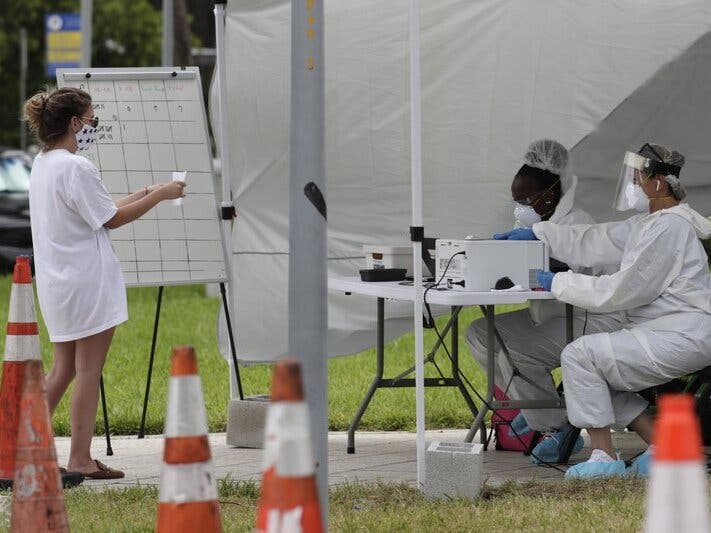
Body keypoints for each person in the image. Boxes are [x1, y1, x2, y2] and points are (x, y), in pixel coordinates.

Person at [514, 142, 711, 477]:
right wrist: (537, 233)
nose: (632, 185)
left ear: (659, 183)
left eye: (637, 178)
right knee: (597, 365)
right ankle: (664, 449)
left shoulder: (669, 228)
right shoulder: (651, 223)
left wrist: (557, 282)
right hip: (666, 330)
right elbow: (594, 239)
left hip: (683, 335)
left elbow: (621, 290)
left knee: (581, 356)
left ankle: (603, 457)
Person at [24, 87, 186, 479]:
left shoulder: (43, 164)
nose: (95, 125)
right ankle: (80, 458)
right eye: (92, 119)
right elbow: (111, 219)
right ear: (75, 123)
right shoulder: (77, 167)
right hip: (88, 284)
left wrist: (142, 193)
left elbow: (97, 210)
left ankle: (22, 448)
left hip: (57, 285)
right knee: (88, 371)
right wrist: (162, 195)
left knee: (63, 369)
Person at [466, 139, 624, 463]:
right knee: (480, 333)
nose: (518, 207)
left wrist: (538, 259)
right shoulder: (530, 223)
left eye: (523, 199)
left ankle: (557, 425)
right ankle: (537, 407)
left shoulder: (577, 223)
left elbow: (571, 271)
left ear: (549, 195)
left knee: (518, 351)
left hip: (590, 318)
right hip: (551, 315)